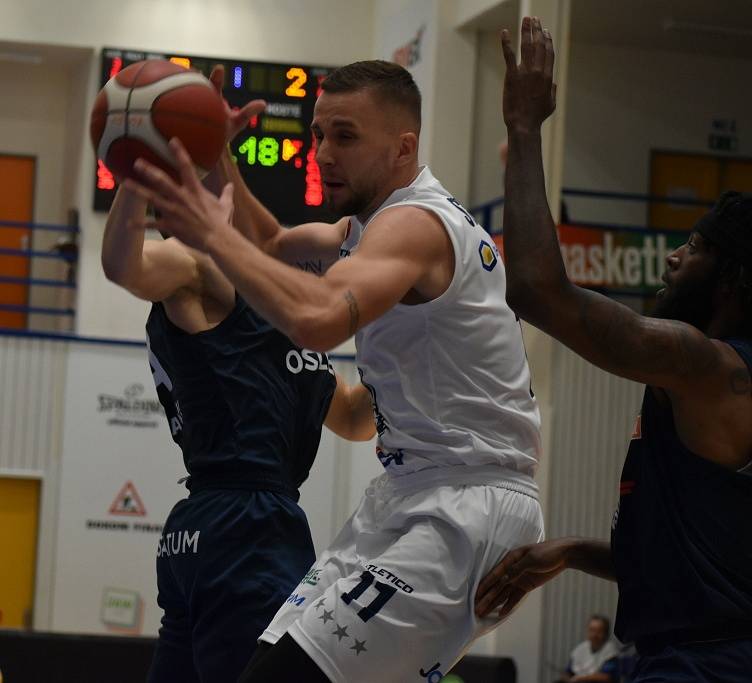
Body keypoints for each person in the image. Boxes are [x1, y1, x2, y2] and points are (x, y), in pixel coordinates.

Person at [126, 59, 543, 682]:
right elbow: (269, 247)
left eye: (344, 137)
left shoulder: (415, 224)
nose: (322, 153)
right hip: (405, 495)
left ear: (404, 148)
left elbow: (318, 318)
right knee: (260, 665)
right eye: (318, 134)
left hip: (468, 502)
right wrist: (221, 161)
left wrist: (211, 234)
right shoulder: (364, 228)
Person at [475, 17, 752, 682]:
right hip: (678, 654)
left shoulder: (708, 365)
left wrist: (524, 127)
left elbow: (540, 291)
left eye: (696, 246)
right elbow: (696, 560)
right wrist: (571, 550)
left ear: (734, 277)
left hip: (708, 665)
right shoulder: (708, 376)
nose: (676, 255)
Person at [101, 176, 375, 682]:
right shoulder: (197, 265)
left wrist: (412, 356)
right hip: (248, 525)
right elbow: (123, 265)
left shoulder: (287, 312)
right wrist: (135, 167)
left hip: (205, 532)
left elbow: (356, 418)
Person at [554, 615, 618, 683]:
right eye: (592, 630)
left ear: (606, 633)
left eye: (599, 631)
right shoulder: (581, 648)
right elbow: (569, 671)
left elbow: (606, 677)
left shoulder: (610, 650)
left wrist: (581, 678)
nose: (595, 635)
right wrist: (566, 677)